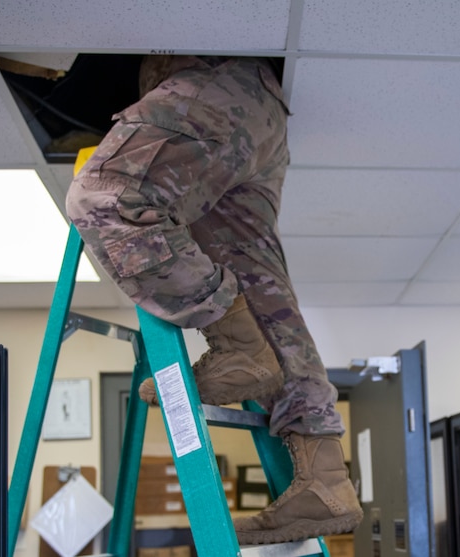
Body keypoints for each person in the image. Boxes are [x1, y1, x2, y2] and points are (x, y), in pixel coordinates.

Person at [66, 54, 363, 545]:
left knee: (106, 199)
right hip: (251, 114)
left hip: (212, 88)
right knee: (262, 291)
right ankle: (326, 479)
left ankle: (240, 346)